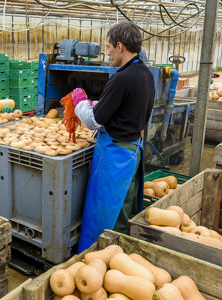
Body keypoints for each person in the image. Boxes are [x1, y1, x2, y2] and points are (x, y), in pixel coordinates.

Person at [73, 21, 155, 252]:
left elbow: (92, 121)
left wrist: (80, 102)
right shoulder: (146, 74)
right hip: (132, 152)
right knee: (122, 210)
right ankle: (120, 254)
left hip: (114, 156)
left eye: (108, 46)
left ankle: (94, 258)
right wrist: (96, 103)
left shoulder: (122, 77)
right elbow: (123, 106)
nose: (106, 52)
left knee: (101, 214)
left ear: (120, 46)